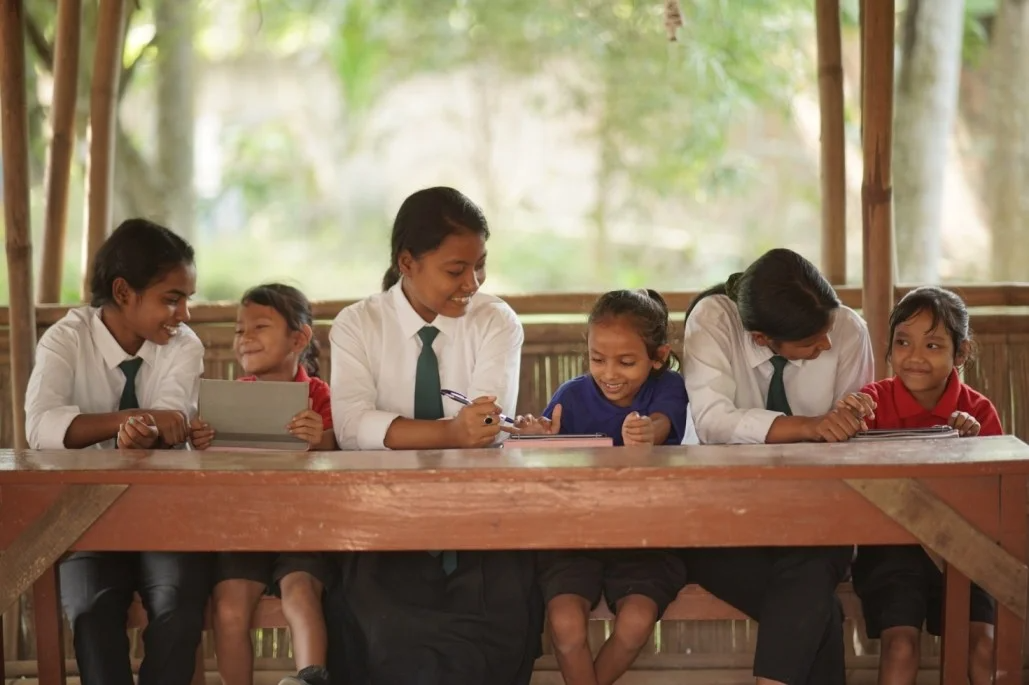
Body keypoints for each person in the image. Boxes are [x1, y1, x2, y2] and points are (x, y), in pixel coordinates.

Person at [325, 186, 541, 684]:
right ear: (407, 261)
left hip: (481, 519)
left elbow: (486, 424)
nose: (473, 282)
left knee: (497, 624)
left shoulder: (496, 322)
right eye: (455, 269)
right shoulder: (358, 326)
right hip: (382, 522)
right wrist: (449, 431)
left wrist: (461, 432)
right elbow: (352, 427)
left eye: (479, 266)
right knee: (386, 632)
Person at [24, 218, 209, 685]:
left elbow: (170, 419)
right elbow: (40, 428)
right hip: (84, 516)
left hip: (163, 515)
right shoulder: (65, 340)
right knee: (91, 610)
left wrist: (147, 426)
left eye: (187, 298)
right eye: (172, 298)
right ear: (124, 292)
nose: (184, 314)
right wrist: (124, 422)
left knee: (178, 606)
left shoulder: (183, 346)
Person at [681, 247, 876, 685]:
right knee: (816, 607)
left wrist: (854, 416)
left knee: (811, 569)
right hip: (719, 520)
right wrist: (810, 426)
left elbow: (852, 438)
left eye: (826, 329)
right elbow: (712, 423)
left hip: (816, 518)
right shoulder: (715, 320)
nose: (827, 344)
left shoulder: (847, 329)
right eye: (812, 341)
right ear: (762, 338)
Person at [517, 288, 688, 685]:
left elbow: (663, 424)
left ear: (658, 356)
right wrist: (537, 440)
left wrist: (648, 432)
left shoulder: (668, 387)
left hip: (648, 538)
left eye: (626, 362)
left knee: (637, 621)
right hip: (577, 536)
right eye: (598, 359)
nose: (609, 373)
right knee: (564, 624)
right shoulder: (571, 396)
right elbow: (545, 465)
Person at [851, 286, 1000, 685]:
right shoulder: (870, 403)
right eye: (903, 342)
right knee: (901, 646)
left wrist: (969, 448)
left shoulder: (978, 412)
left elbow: (995, 502)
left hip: (967, 549)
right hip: (890, 550)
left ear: (961, 353)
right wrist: (846, 425)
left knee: (983, 647)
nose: (914, 357)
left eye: (933, 345)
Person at [190, 283, 336, 685]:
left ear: (299, 338)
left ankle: (309, 680)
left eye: (259, 327)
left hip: (304, 530)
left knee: (301, 595)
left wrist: (320, 437)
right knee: (229, 608)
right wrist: (203, 442)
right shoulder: (231, 400)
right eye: (240, 330)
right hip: (245, 529)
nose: (245, 338)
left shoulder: (319, 397)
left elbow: (341, 451)